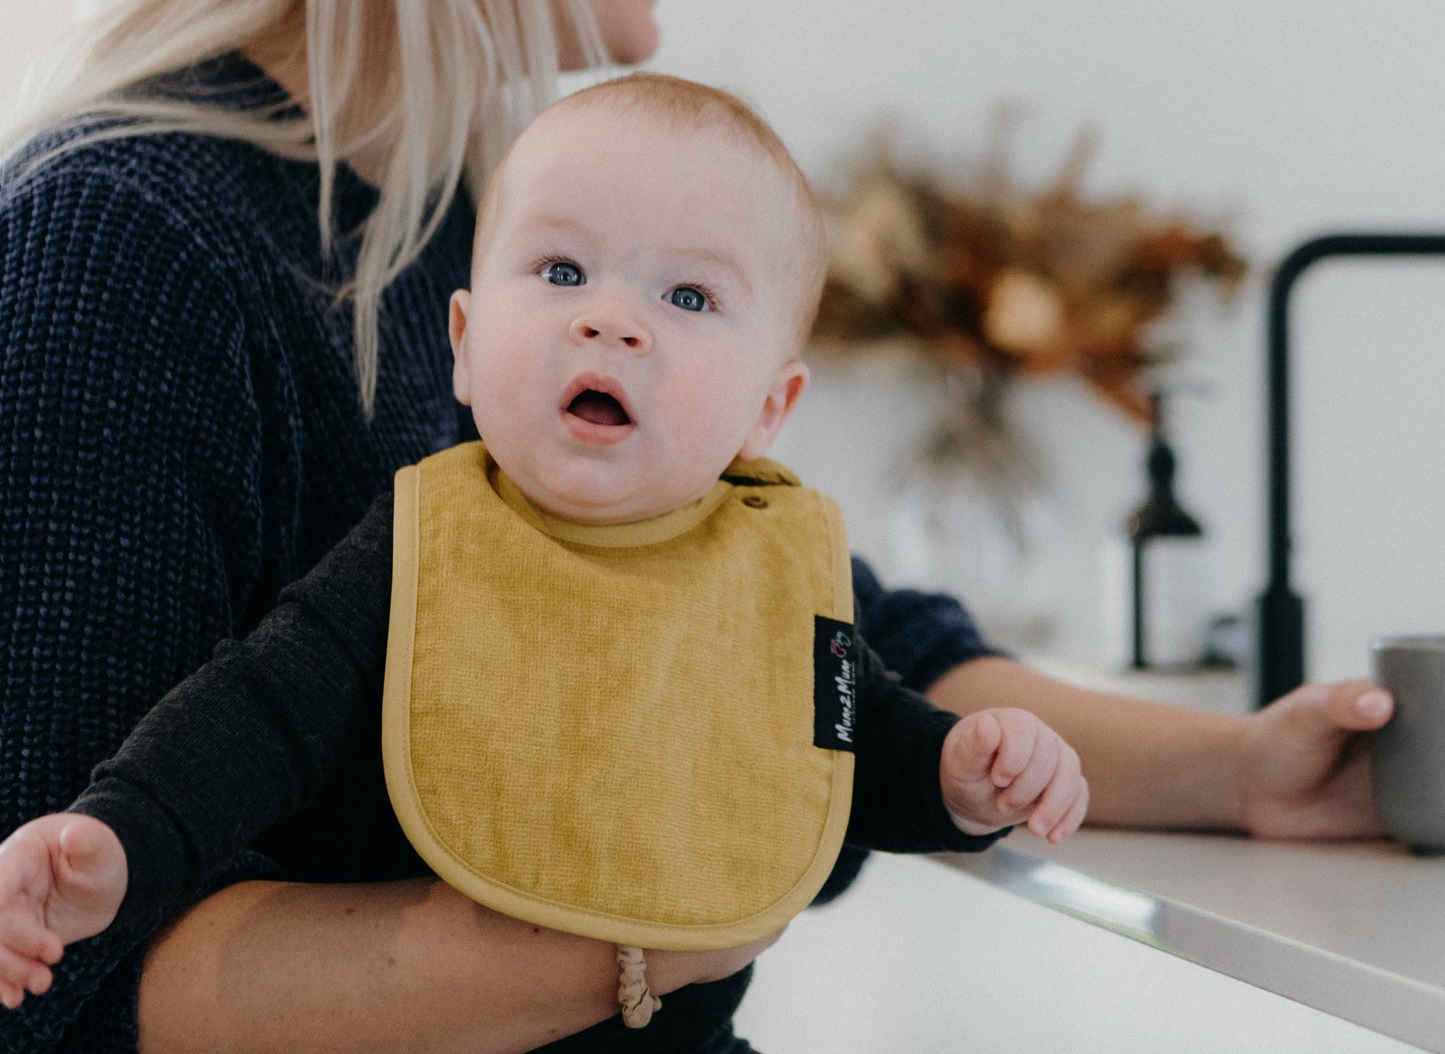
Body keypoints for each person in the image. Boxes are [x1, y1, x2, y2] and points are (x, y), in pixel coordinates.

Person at [0, 0, 1392, 1051]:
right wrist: (651, 937)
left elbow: (826, 626)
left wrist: (1244, 772)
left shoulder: (490, 228)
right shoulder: (124, 246)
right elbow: (51, 985)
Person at [0, 73, 1091, 1046]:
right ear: (464, 347)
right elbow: (255, 720)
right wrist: (119, 841)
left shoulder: (772, 570)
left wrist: (955, 776)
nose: (612, 321)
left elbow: (851, 747)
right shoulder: (428, 542)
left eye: (688, 297)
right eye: (563, 270)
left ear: (770, 406)